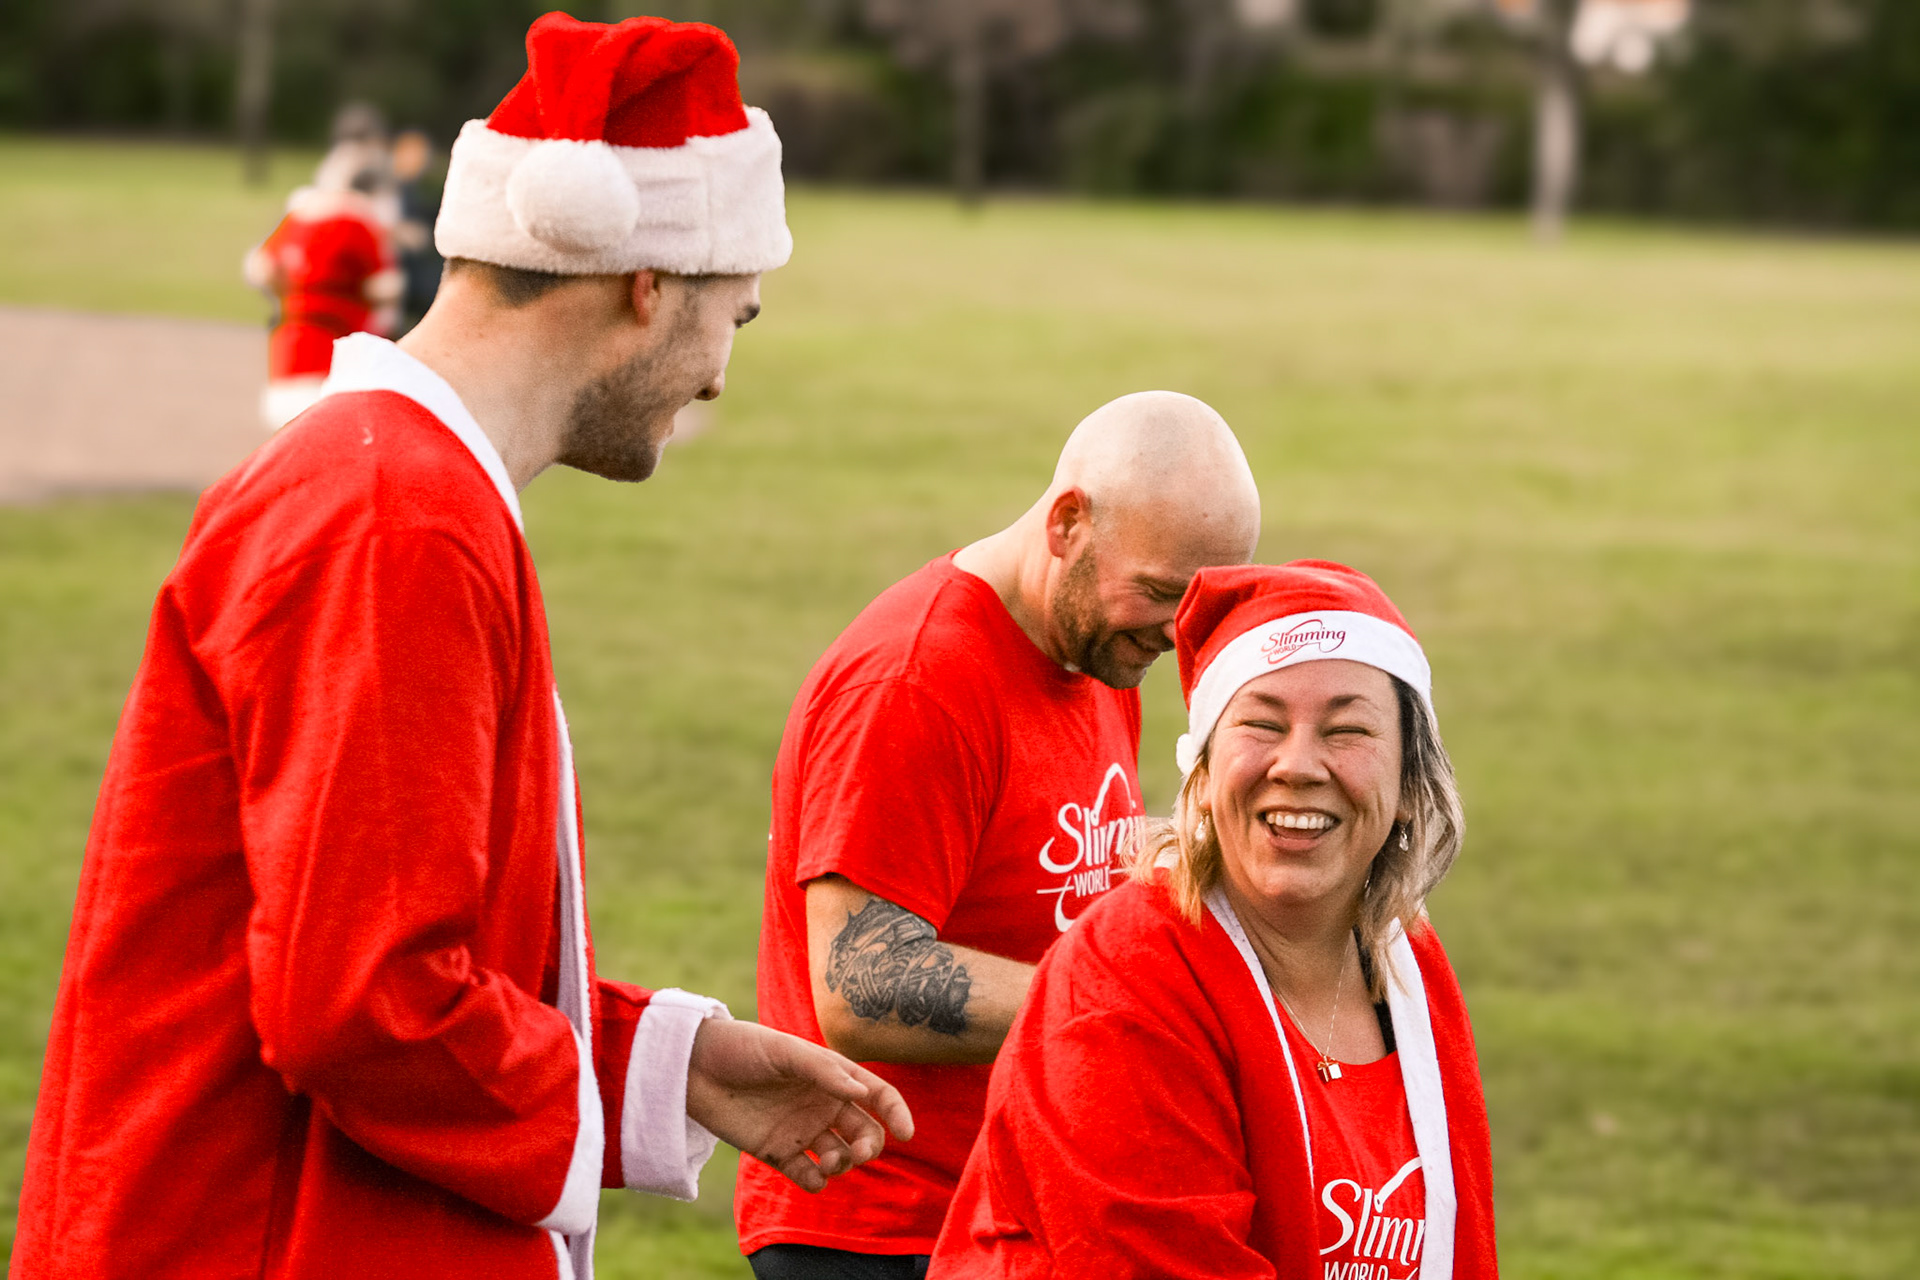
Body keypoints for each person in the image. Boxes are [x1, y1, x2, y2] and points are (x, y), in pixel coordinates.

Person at [11, 15, 910, 1280]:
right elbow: (366, 1003)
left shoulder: (402, 485)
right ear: (646, 285)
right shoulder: (396, 518)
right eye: (735, 318)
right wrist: (589, 1100)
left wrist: (675, 1061)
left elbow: (398, 959)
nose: (716, 377)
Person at [738, 391, 1264, 1277]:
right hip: (882, 1229)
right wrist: (1130, 1010)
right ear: (1068, 523)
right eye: (1165, 596)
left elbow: (1043, 848)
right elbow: (860, 980)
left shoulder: (1096, 648)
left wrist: (1200, 851)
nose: (1178, 635)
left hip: (1014, 1201)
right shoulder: (917, 684)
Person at [928, 560, 1499, 1279]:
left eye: (1347, 729)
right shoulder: (1125, 980)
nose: (1297, 764)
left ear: (1411, 786)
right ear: (1202, 770)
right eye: (1261, 723)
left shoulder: (1406, 962)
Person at [243, 128, 401, 430]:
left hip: (287, 356)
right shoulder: (361, 224)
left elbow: (262, 268)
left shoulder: (300, 216)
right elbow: (384, 288)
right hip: (338, 365)